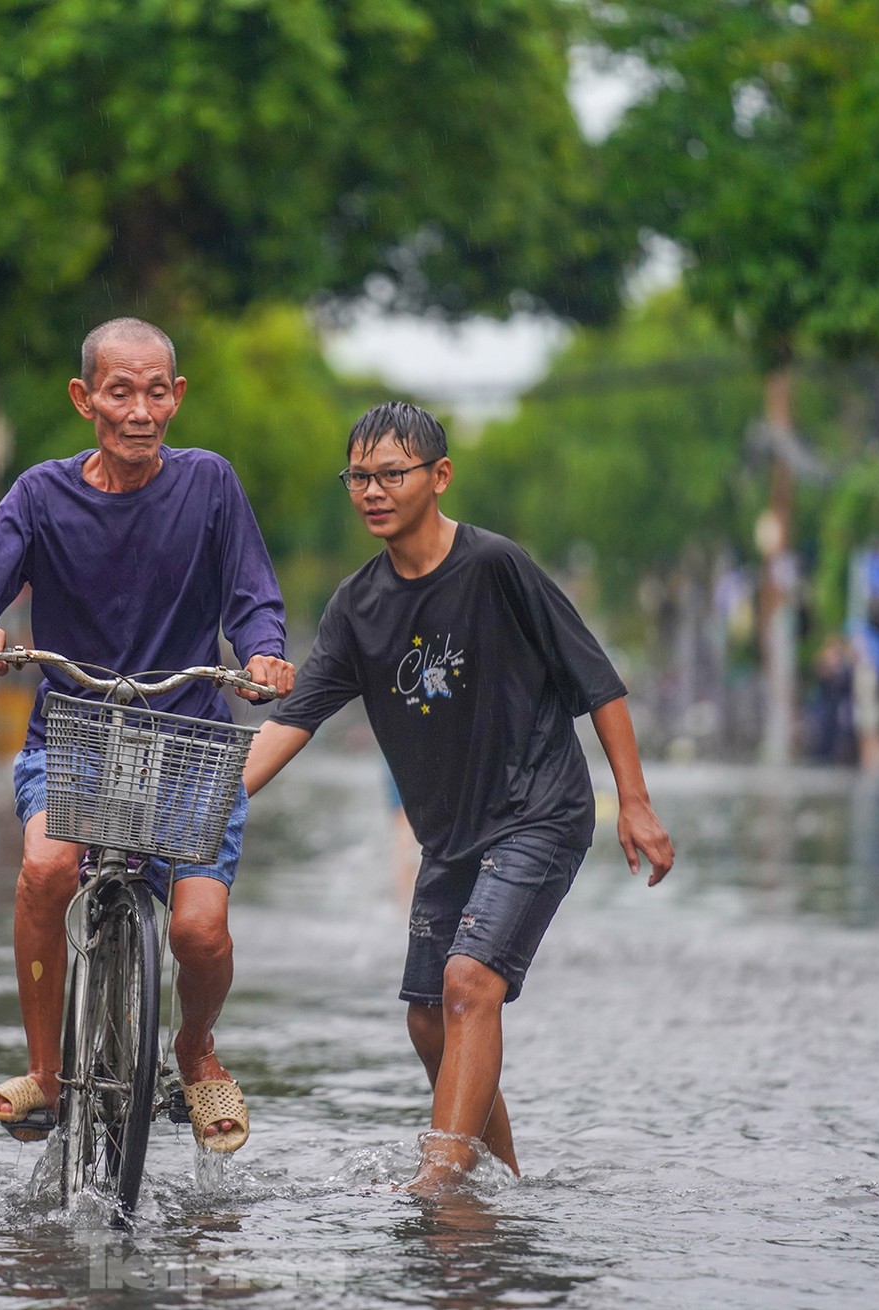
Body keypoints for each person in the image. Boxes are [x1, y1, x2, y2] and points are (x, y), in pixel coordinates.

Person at [243, 401, 675, 1192]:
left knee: (470, 983)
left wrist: (636, 802)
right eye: (359, 478)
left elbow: (598, 682)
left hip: (539, 810)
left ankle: (439, 1181)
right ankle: (502, 1181)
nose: (372, 491)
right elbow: (294, 720)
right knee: (426, 1017)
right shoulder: (357, 606)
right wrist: (216, 799)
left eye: (391, 475)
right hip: (451, 836)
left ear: (439, 478)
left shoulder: (495, 567)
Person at [0, 316, 295, 1155]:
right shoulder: (38, 494)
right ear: (84, 399)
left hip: (191, 745)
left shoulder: (211, 484)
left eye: (154, 391)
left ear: (176, 398)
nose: (138, 410)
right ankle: (43, 1072)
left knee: (199, 932)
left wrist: (265, 655)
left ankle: (195, 1051)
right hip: (72, 739)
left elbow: (253, 595)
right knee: (45, 867)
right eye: (118, 391)